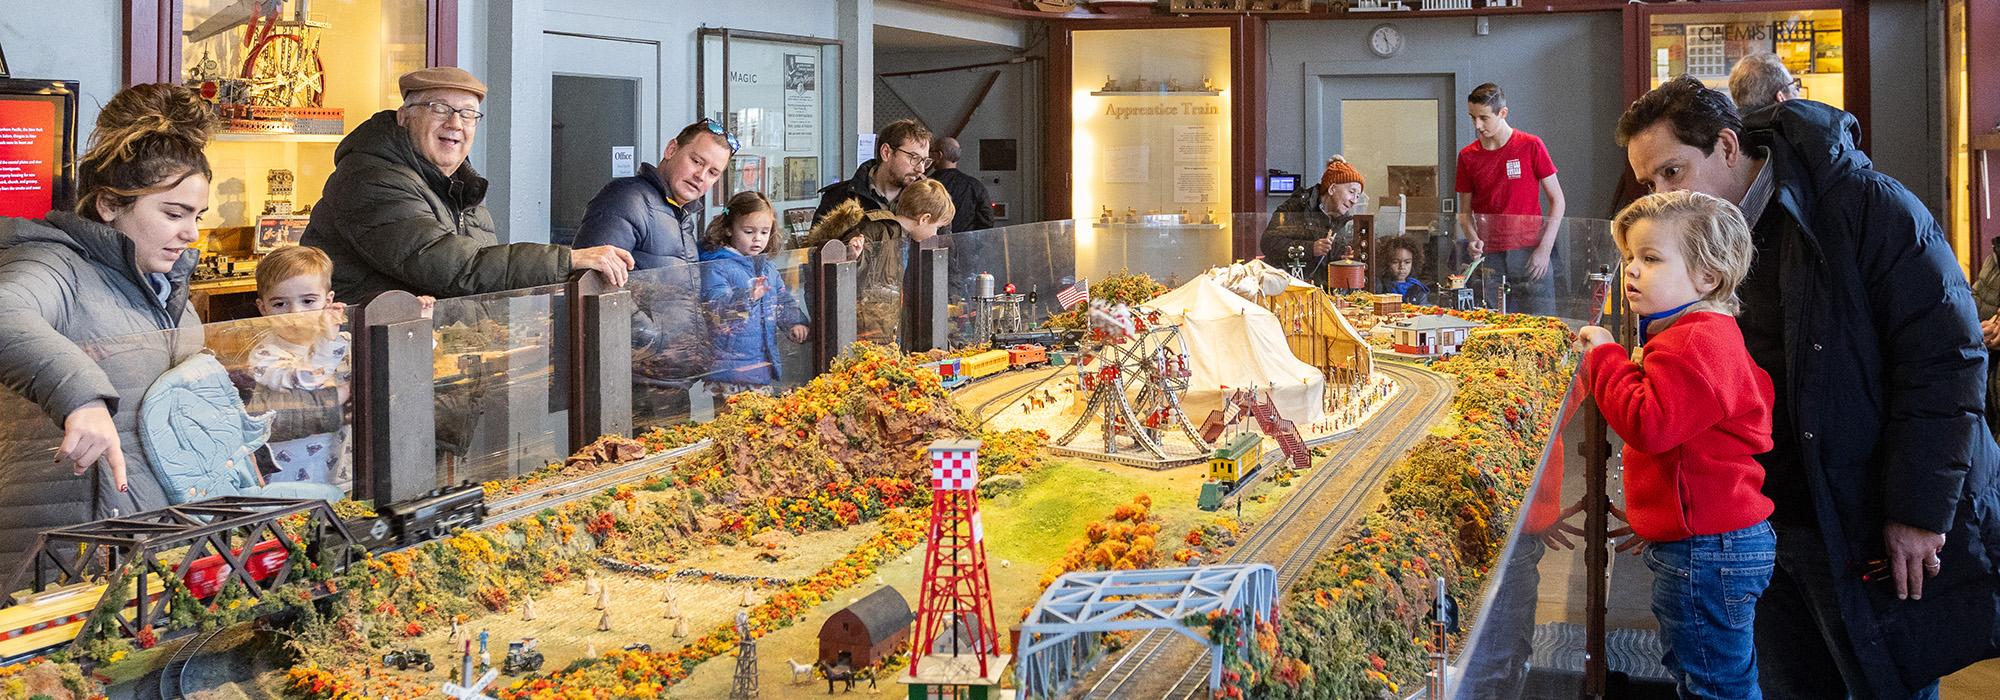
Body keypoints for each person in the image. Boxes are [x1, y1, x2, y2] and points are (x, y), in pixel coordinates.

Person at [1618, 76, 2000, 699]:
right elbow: (1703, 393)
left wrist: (1918, 511)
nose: (1663, 195)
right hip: (1760, 521)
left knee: (1883, 684)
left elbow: (1945, 363)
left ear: (1726, 146)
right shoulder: (1698, 240)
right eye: (1649, 183)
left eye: (1672, 172)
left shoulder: (1867, 206)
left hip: (1861, 515)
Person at [0, 84, 215, 563]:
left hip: (149, 537)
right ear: (110, 205)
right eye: (174, 214)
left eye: (198, 216)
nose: (191, 232)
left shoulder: (165, 283)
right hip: (62, 549)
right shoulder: (52, 264)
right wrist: (81, 396)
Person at [1577, 190, 1775, 698]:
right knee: (1704, 670)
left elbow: (1649, 424)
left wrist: (1605, 357)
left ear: (1708, 276)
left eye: (1651, 258)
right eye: (1629, 257)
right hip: (1709, 540)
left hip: (1706, 548)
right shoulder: (1701, 332)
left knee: (1715, 683)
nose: (1631, 270)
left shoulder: (1693, 341)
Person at [301, 66, 633, 305]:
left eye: (468, 114)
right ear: (404, 117)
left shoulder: (459, 186)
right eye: (439, 109)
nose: (455, 123)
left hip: (433, 354)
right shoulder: (371, 179)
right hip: (365, 357)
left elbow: (482, 280)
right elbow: (458, 268)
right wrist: (567, 260)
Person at [571, 119, 736, 419]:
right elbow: (593, 284)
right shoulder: (626, 199)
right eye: (696, 161)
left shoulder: (678, 214)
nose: (701, 176)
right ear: (672, 149)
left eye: (713, 172)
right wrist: (652, 341)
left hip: (668, 381)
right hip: (633, 382)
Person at [247, 245, 351, 488]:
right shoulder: (264, 355)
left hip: (339, 465)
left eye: (308, 301)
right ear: (263, 308)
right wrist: (328, 343)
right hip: (286, 473)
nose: (296, 313)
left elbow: (385, 366)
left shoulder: (343, 342)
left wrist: (419, 321)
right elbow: (307, 382)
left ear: (328, 301)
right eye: (280, 304)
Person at [1455, 83, 1564, 315]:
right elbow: (1464, 213)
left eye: (1484, 118)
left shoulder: (1531, 145)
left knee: (1542, 321)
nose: (1477, 125)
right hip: (1490, 256)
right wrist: (1473, 239)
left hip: (1530, 251)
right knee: (1493, 323)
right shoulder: (1467, 156)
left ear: (1503, 113)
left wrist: (1545, 249)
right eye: (1472, 117)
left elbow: (1558, 201)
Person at [804, 180, 954, 344]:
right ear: (924, 218)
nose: (935, 234)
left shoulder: (903, 237)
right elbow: (850, 271)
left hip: (884, 326)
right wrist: (853, 256)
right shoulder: (878, 229)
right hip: (864, 330)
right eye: (937, 227)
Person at [698, 191, 808, 395]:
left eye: (765, 232)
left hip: (760, 364)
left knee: (761, 414)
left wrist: (794, 322)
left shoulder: (767, 267)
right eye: (749, 231)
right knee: (735, 416)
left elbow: (781, 299)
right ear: (729, 229)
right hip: (730, 369)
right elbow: (715, 309)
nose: (757, 239)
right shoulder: (716, 266)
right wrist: (747, 296)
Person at [1261, 156, 1365, 284]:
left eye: (1358, 196)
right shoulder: (1296, 207)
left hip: (1322, 291)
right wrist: (1310, 249)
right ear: (1332, 189)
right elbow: (1268, 243)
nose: (1354, 200)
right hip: (1287, 286)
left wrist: (1343, 260)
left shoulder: (1346, 223)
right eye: (1351, 192)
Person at [814, 119, 932, 223]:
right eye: (914, 158)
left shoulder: (929, 200)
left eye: (924, 161)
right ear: (886, 153)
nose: (921, 169)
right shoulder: (838, 198)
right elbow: (818, 241)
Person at [928, 137, 994, 234]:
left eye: (931, 151)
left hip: (934, 242)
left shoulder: (926, 185)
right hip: (967, 242)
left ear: (939, 155)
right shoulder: (975, 186)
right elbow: (987, 220)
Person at [1729, 53, 1802, 117]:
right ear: (1781, 97)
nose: (1799, 91)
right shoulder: (1803, 126)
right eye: (1794, 87)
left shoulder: (1730, 126)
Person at [1376, 235, 1430, 305]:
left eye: (1407, 262)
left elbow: (1424, 309)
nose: (1402, 267)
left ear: (1413, 262)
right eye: (1395, 262)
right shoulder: (1380, 287)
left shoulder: (1418, 289)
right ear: (1386, 262)